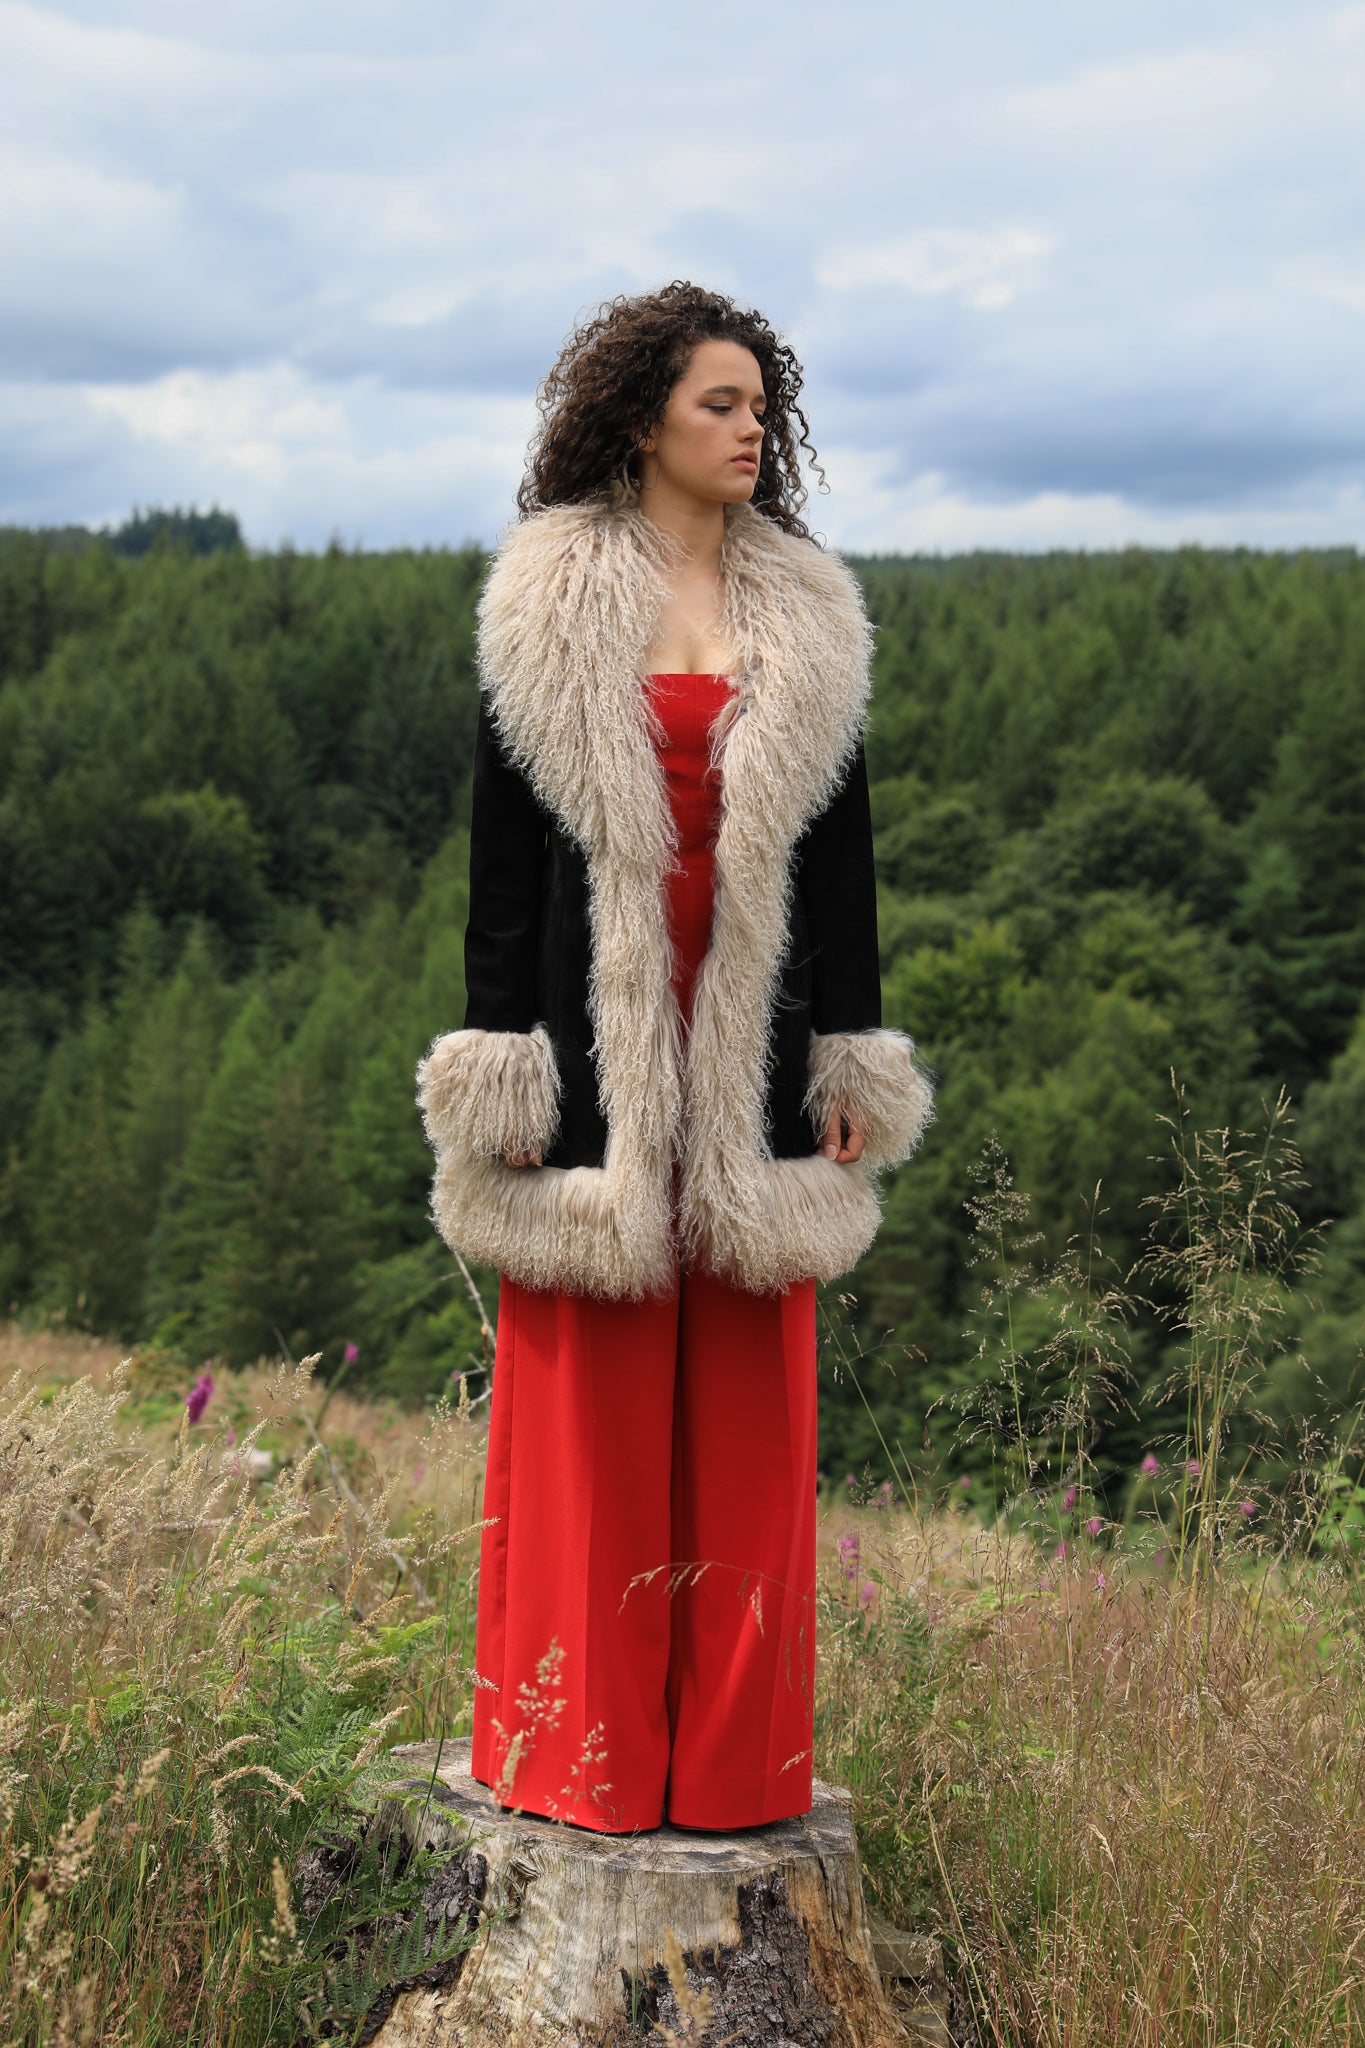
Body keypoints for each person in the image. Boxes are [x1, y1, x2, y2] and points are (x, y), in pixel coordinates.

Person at [417, 281, 933, 1835]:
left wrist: (848, 1061)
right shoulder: (547, 599)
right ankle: (571, 1757)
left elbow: (842, 863)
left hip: (759, 1038)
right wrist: (507, 1066)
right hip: (593, 1046)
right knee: (592, 1414)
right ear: (640, 418)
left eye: (758, 406)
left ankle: (731, 1772)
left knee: (750, 1430)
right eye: (718, 403)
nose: (747, 427)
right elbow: (502, 871)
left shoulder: (809, 608)